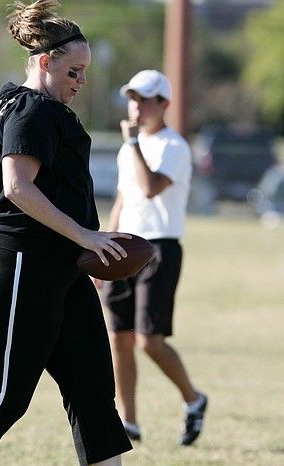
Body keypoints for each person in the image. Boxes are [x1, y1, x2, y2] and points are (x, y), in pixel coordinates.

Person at [0, 2, 132, 465]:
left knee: (93, 392)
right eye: (74, 71)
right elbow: (16, 185)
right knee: (3, 396)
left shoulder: (1, 103)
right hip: (17, 260)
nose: (81, 82)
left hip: (56, 264)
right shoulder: (33, 109)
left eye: (84, 73)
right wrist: (84, 234)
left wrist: (73, 237)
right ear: (45, 62)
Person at [101, 70, 207, 446]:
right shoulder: (127, 148)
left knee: (150, 339)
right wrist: (103, 246)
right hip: (125, 245)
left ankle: (194, 400)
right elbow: (123, 199)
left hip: (160, 248)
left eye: (145, 99)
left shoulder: (173, 146)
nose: (137, 106)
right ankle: (128, 421)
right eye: (133, 98)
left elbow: (149, 189)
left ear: (164, 103)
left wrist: (133, 146)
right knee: (120, 337)